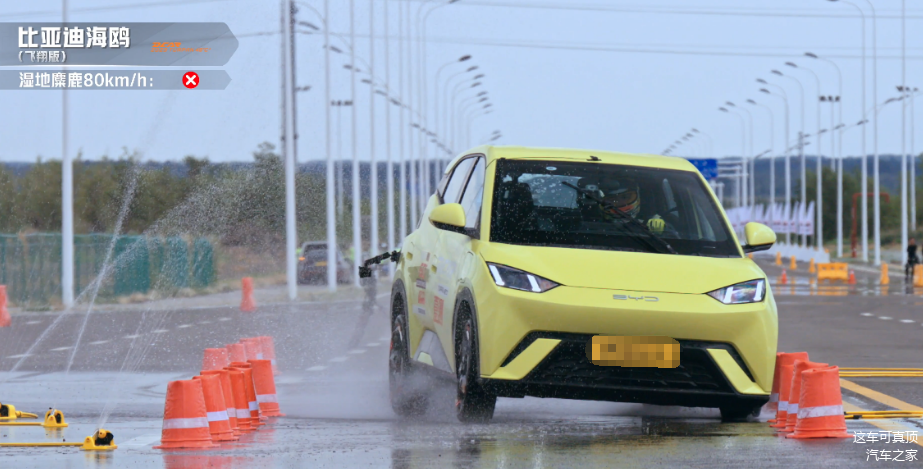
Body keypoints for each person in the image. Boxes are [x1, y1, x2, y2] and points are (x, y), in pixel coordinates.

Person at [593, 180, 676, 237]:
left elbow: (675, 243)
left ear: (638, 197)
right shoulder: (590, 225)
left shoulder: (648, 225)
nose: (620, 203)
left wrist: (663, 230)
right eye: (612, 200)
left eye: (625, 197)